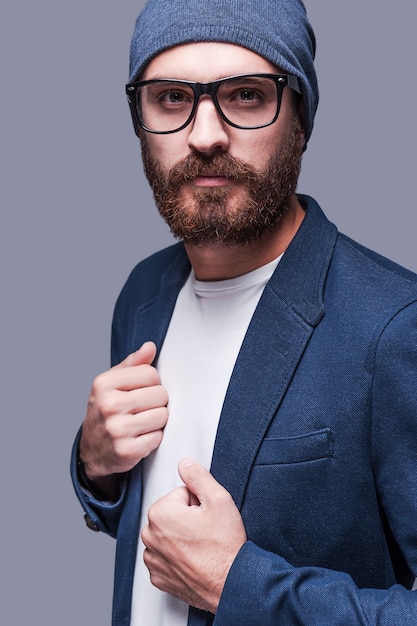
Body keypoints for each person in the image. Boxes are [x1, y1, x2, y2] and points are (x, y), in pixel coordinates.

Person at [71, 0, 417, 624]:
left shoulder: (395, 326)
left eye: (248, 95)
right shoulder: (141, 294)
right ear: (139, 120)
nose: (205, 135)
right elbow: (152, 533)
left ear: (301, 120)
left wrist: (239, 585)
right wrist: (96, 468)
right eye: (172, 98)